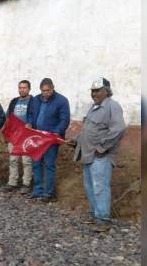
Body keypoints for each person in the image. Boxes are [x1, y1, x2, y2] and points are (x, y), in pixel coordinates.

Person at [69, 78, 127, 229]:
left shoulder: (112, 107)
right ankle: (96, 215)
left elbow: (118, 129)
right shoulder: (93, 107)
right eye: (92, 91)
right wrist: (76, 140)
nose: (94, 94)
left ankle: (103, 220)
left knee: (100, 186)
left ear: (106, 91)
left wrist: (102, 147)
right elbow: (88, 130)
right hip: (88, 155)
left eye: (97, 90)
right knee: (90, 186)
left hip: (101, 156)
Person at [26, 78, 70, 201]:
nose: (46, 93)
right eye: (43, 91)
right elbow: (30, 114)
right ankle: (37, 190)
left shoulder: (61, 101)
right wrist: (29, 123)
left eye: (48, 90)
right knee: (36, 164)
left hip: (51, 139)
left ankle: (48, 193)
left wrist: (57, 131)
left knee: (49, 164)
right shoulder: (35, 100)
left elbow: (64, 120)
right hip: (36, 138)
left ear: (53, 88)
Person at [2, 80, 34, 193]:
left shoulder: (34, 101)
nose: (22, 89)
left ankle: (26, 183)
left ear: (29, 89)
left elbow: (36, 116)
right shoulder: (14, 101)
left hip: (27, 136)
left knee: (26, 161)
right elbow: (8, 117)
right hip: (14, 135)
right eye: (20, 87)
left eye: (24, 88)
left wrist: (31, 124)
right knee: (13, 160)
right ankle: (12, 182)